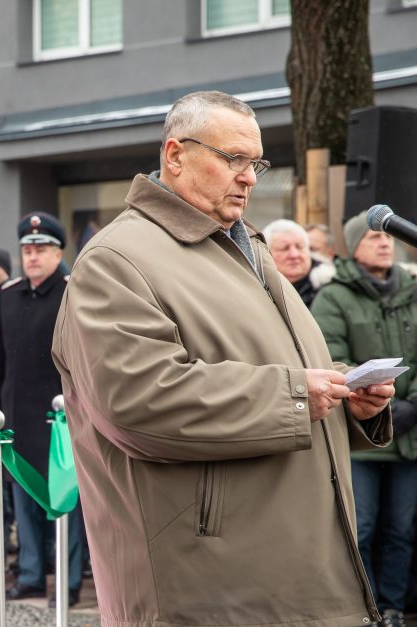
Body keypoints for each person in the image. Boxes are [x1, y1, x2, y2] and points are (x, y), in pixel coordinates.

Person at [52, 91, 394, 626]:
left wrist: (350, 404)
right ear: (175, 155)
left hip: (292, 572)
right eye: (232, 159)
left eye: (256, 162)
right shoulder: (116, 260)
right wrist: (297, 394)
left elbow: (279, 373)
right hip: (208, 586)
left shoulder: (247, 246)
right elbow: (137, 403)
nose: (250, 177)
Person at [311, 211, 417, 626]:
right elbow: (329, 356)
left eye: (388, 239)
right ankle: (365, 609)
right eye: (373, 238)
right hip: (364, 435)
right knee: (362, 527)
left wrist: (413, 406)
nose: (384, 243)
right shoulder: (333, 297)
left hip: (410, 437)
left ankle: (392, 607)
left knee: (402, 530)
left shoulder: (413, 291)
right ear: (352, 247)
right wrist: (381, 403)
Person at [0, 212, 84, 608]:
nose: (32, 256)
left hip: (59, 419)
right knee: (24, 501)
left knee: (64, 505)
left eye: (41, 248)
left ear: (59, 251)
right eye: (27, 249)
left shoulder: (72, 291)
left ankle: (68, 579)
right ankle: (30, 574)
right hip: (15, 418)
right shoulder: (9, 294)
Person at [263, 218, 334, 308]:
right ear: (266, 253)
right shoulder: (258, 290)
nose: (294, 255)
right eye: (284, 248)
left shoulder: (329, 285)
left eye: (300, 247)